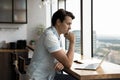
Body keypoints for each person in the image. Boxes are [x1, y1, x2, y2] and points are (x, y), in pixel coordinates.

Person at [26, 9, 77, 80]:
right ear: (58, 22)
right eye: (68, 24)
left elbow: (63, 58)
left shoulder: (55, 35)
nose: (70, 27)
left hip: (48, 75)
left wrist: (61, 62)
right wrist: (72, 41)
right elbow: (68, 64)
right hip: (38, 77)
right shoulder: (50, 36)